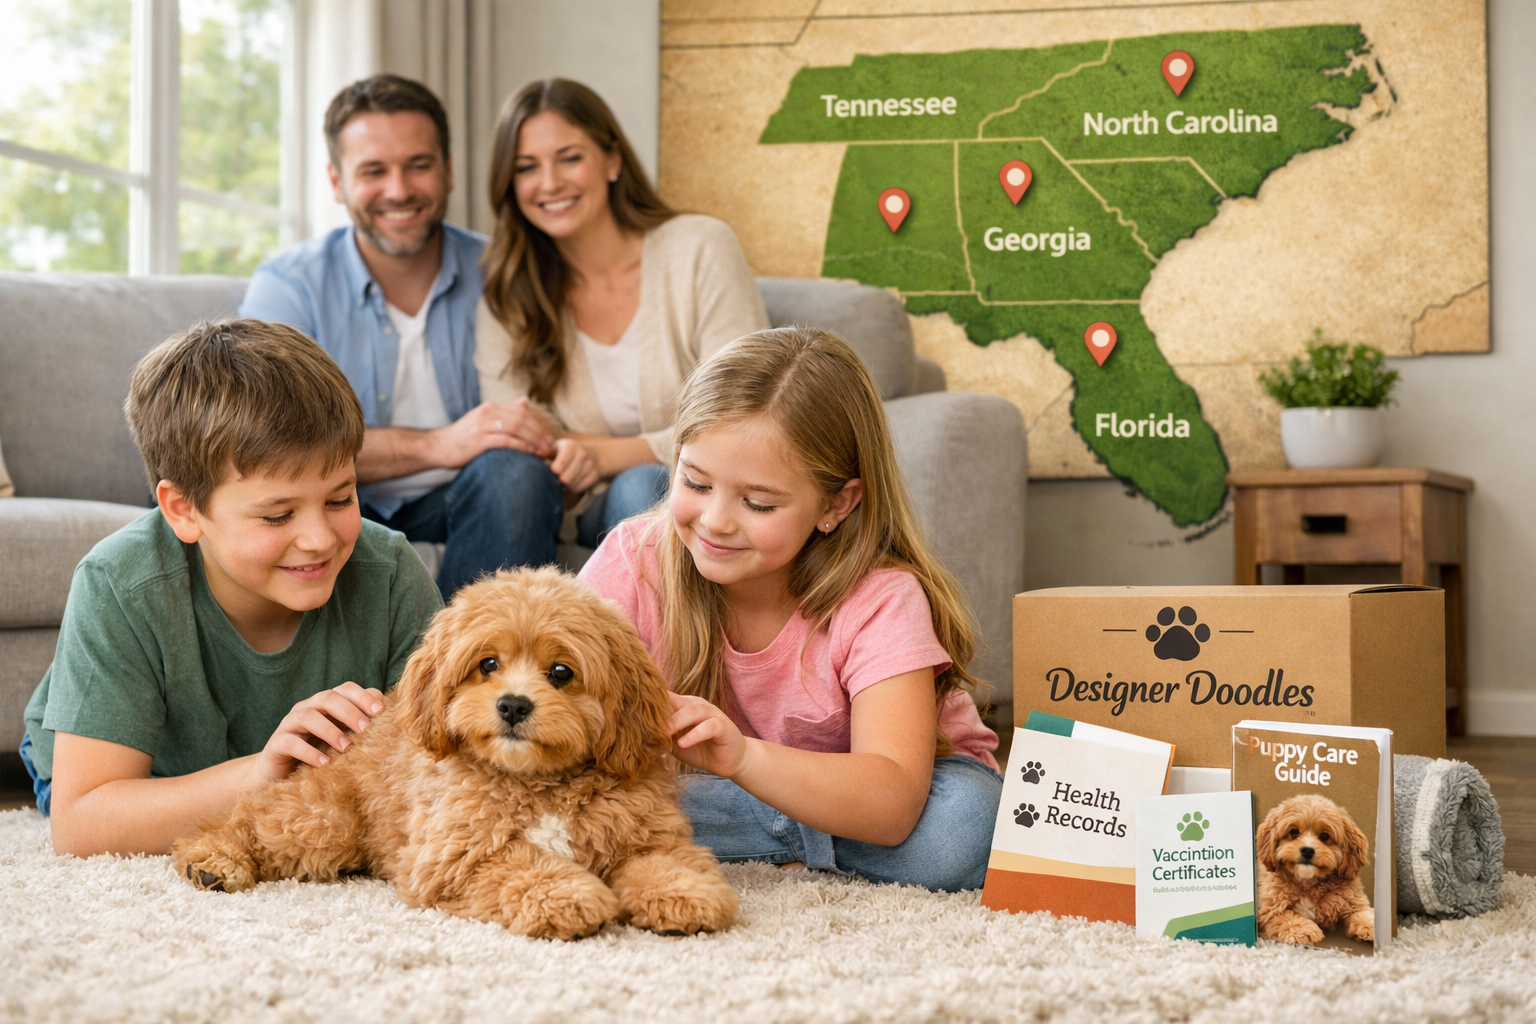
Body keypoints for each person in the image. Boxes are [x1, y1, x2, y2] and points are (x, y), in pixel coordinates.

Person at [579, 327, 1002, 892]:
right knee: (566, 796)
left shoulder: (880, 597)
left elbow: (894, 803)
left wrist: (743, 760)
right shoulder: (634, 559)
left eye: (758, 503)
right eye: (696, 483)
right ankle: (800, 850)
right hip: (724, 798)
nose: (716, 521)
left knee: (966, 823)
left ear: (837, 504)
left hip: (902, 797)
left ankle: (715, 839)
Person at [19, 320, 443, 856]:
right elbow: (83, 822)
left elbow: (439, 762)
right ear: (184, 510)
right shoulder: (120, 582)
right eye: (277, 515)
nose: (319, 539)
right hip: (141, 776)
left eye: (340, 499)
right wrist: (259, 776)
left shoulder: (390, 571)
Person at [240, 75, 588, 598]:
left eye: (418, 165)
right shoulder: (290, 286)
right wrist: (439, 444)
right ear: (337, 181)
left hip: (469, 498)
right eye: (374, 171)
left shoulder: (503, 271)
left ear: (448, 171)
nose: (399, 190)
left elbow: (552, 404)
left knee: (516, 475)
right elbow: (269, 443)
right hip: (333, 501)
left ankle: (471, 647)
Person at [476, 78, 769, 550]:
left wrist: (602, 454)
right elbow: (517, 428)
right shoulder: (507, 288)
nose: (549, 183)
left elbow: (744, 412)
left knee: (644, 485)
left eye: (569, 158)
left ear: (613, 160)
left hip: (694, 487)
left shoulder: (700, 248)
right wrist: (571, 453)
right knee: (509, 473)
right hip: (569, 501)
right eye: (527, 167)